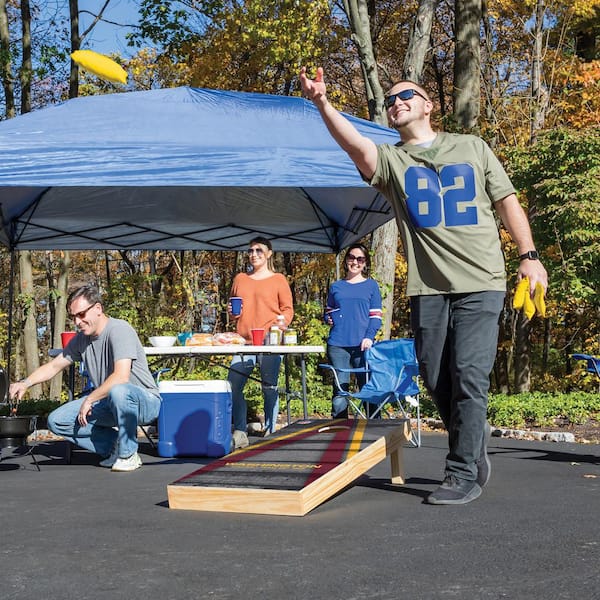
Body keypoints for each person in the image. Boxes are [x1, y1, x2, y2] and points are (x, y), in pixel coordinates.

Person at [300, 67, 548, 505]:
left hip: (481, 281)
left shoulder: (472, 147)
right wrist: (322, 102)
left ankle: (461, 470)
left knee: (469, 375)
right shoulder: (393, 162)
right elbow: (354, 145)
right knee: (434, 377)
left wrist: (529, 258)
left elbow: (507, 203)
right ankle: (472, 443)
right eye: (391, 99)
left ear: (428, 104)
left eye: (406, 95)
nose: (397, 102)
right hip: (428, 288)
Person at [9, 285, 161, 472]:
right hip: (109, 401)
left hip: (144, 403)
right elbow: (54, 366)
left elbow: (121, 376)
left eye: (81, 314)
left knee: (119, 390)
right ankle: (114, 446)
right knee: (57, 420)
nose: (77, 322)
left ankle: (128, 454)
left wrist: (89, 399)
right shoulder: (81, 340)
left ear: (98, 309)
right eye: (73, 317)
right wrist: (25, 382)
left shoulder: (120, 330)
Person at [227, 237, 294, 448]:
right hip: (243, 343)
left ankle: (271, 431)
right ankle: (240, 431)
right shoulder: (240, 278)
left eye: (259, 250)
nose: (253, 254)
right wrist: (231, 312)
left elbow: (288, 310)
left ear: (269, 254)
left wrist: (282, 323)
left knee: (270, 388)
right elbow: (233, 308)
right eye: (250, 251)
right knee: (232, 386)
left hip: (269, 343)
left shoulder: (278, 279)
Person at [324, 243, 382, 418]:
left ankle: (375, 429)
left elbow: (376, 316)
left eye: (360, 259)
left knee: (368, 389)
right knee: (340, 391)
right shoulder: (336, 286)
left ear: (365, 263)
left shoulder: (371, 286)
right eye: (351, 257)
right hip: (338, 344)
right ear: (346, 260)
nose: (355, 262)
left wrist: (369, 337)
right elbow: (329, 311)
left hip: (362, 345)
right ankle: (339, 430)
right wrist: (328, 318)